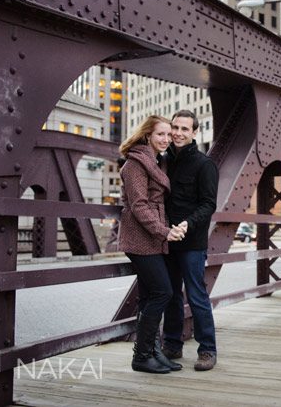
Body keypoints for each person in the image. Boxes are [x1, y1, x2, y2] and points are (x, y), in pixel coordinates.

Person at [118, 115, 187, 374]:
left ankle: (153, 352)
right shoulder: (136, 163)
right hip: (140, 237)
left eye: (169, 135)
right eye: (161, 134)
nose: (166, 139)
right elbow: (138, 205)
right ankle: (142, 355)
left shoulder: (157, 160)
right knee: (163, 292)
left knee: (149, 296)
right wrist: (164, 231)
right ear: (147, 135)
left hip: (153, 237)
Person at [162, 110, 219, 371]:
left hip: (192, 242)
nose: (178, 133)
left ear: (194, 132)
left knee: (196, 295)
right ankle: (172, 345)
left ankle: (207, 350)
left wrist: (188, 223)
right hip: (166, 240)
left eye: (185, 129)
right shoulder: (162, 161)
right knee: (171, 295)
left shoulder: (204, 164)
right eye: (175, 127)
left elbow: (208, 204)